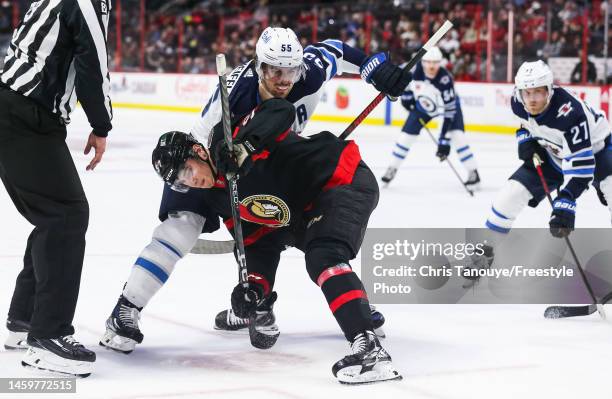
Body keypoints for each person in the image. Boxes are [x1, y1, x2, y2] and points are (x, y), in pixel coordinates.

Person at [99, 27, 411, 353]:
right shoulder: (236, 99)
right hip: (210, 158)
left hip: (261, 155)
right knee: (184, 228)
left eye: (290, 70)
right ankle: (127, 309)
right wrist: (218, 162)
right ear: (259, 66)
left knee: (305, 222)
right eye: (274, 70)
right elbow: (212, 144)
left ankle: (319, 304)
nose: (283, 79)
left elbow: (333, 49)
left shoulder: (307, 71)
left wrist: (372, 66)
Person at [152, 98, 402, 384]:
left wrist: (244, 146)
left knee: (324, 256)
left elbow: (280, 111)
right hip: (302, 211)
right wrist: (255, 288)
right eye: (180, 182)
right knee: (317, 253)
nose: (189, 182)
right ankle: (358, 310)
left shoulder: (229, 137)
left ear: (198, 151)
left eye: (187, 171)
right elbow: (258, 242)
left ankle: (369, 349)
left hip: (340, 180)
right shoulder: (219, 197)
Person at [0, 0, 113, 377]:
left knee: (52, 216)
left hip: (14, 109)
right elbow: (92, 63)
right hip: (26, 115)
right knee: (66, 214)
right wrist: (102, 125)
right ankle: (48, 336)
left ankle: (25, 319)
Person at [477, 60, 612, 269]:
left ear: (549, 90)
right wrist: (525, 138)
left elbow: (582, 169)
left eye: (538, 92)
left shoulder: (570, 113)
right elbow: (525, 123)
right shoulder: (516, 101)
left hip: (600, 151)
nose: (531, 100)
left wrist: (566, 202)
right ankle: (482, 257)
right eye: (527, 93)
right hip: (554, 153)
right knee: (511, 194)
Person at [381, 46, 481, 188]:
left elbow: (449, 111)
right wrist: (407, 98)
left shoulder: (445, 80)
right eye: (428, 62)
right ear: (422, 62)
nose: (431, 66)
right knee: (405, 137)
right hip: (423, 107)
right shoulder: (413, 70)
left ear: (440, 62)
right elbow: (401, 81)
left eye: (435, 62)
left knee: (458, 137)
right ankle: (392, 168)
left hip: (447, 110)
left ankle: (473, 171)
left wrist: (443, 141)